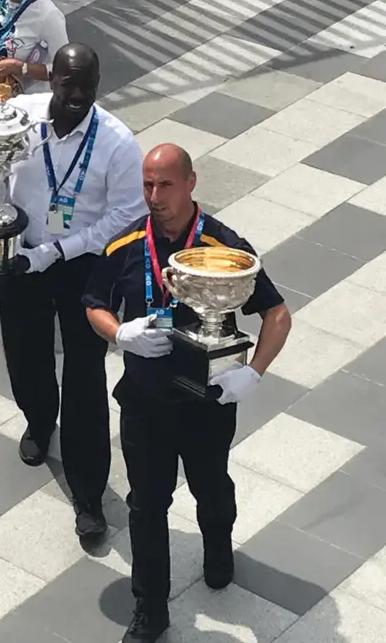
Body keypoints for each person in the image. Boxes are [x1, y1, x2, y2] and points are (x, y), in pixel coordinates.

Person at [84, 144, 292, 643]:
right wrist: (119, 334)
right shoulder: (127, 244)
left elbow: (277, 315)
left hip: (207, 405)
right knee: (145, 506)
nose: (154, 197)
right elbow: (92, 303)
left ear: (191, 183)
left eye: (166, 185)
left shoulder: (224, 247)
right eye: (147, 185)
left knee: (212, 490)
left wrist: (254, 373)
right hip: (146, 401)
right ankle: (150, 608)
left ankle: (218, 544)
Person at [0, 43, 146, 541]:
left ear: (98, 85)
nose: (76, 94)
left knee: (85, 375)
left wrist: (58, 252)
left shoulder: (118, 143)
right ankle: (37, 418)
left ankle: (89, 493)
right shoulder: (18, 117)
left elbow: (125, 216)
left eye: (87, 86)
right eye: (68, 83)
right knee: (25, 351)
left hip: (85, 266)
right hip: (23, 251)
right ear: (50, 79)